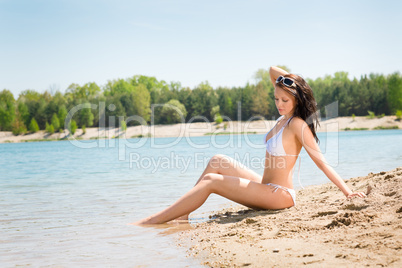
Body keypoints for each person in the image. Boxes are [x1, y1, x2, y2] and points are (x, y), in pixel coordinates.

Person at [133, 66, 366, 225]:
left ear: (297, 98)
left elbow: (322, 163)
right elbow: (272, 69)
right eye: (276, 98)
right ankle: (182, 216)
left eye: (285, 100)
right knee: (217, 160)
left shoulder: (297, 125)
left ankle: (151, 221)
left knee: (211, 182)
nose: (279, 104)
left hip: (280, 195)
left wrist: (347, 192)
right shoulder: (282, 119)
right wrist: (289, 82)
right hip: (266, 187)